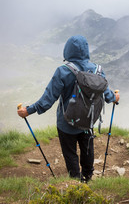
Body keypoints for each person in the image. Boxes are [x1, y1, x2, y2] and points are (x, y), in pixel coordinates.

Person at [17, 35, 119, 182]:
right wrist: (115, 98)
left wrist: (28, 110)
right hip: (88, 121)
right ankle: (88, 177)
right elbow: (107, 95)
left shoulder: (63, 71)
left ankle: (76, 181)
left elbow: (48, 99)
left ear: (67, 50)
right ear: (86, 51)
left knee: (70, 153)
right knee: (87, 149)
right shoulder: (97, 70)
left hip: (66, 123)